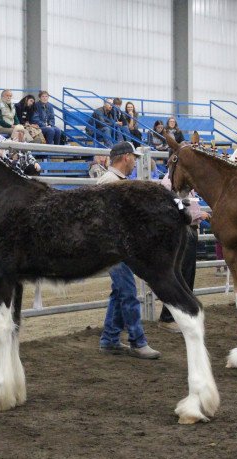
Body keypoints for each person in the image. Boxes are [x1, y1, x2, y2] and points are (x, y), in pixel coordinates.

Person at [98, 141, 161, 359]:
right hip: (114, 247)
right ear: (125, 157)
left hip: (116, 246)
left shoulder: (114, 181)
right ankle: (137, 341)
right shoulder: (111, 182)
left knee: (120, 292)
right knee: (128, 292)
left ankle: (110, 338)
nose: (135, 161)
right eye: (133, 157)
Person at [158, 175, 210, 333]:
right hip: (182, 232)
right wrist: (199, 215)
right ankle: (168, 318)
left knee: (186, 276)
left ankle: (182, 316)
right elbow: (175, 209)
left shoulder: (183, 182)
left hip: (189, 231)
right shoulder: (170, 183)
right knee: (180, 277)